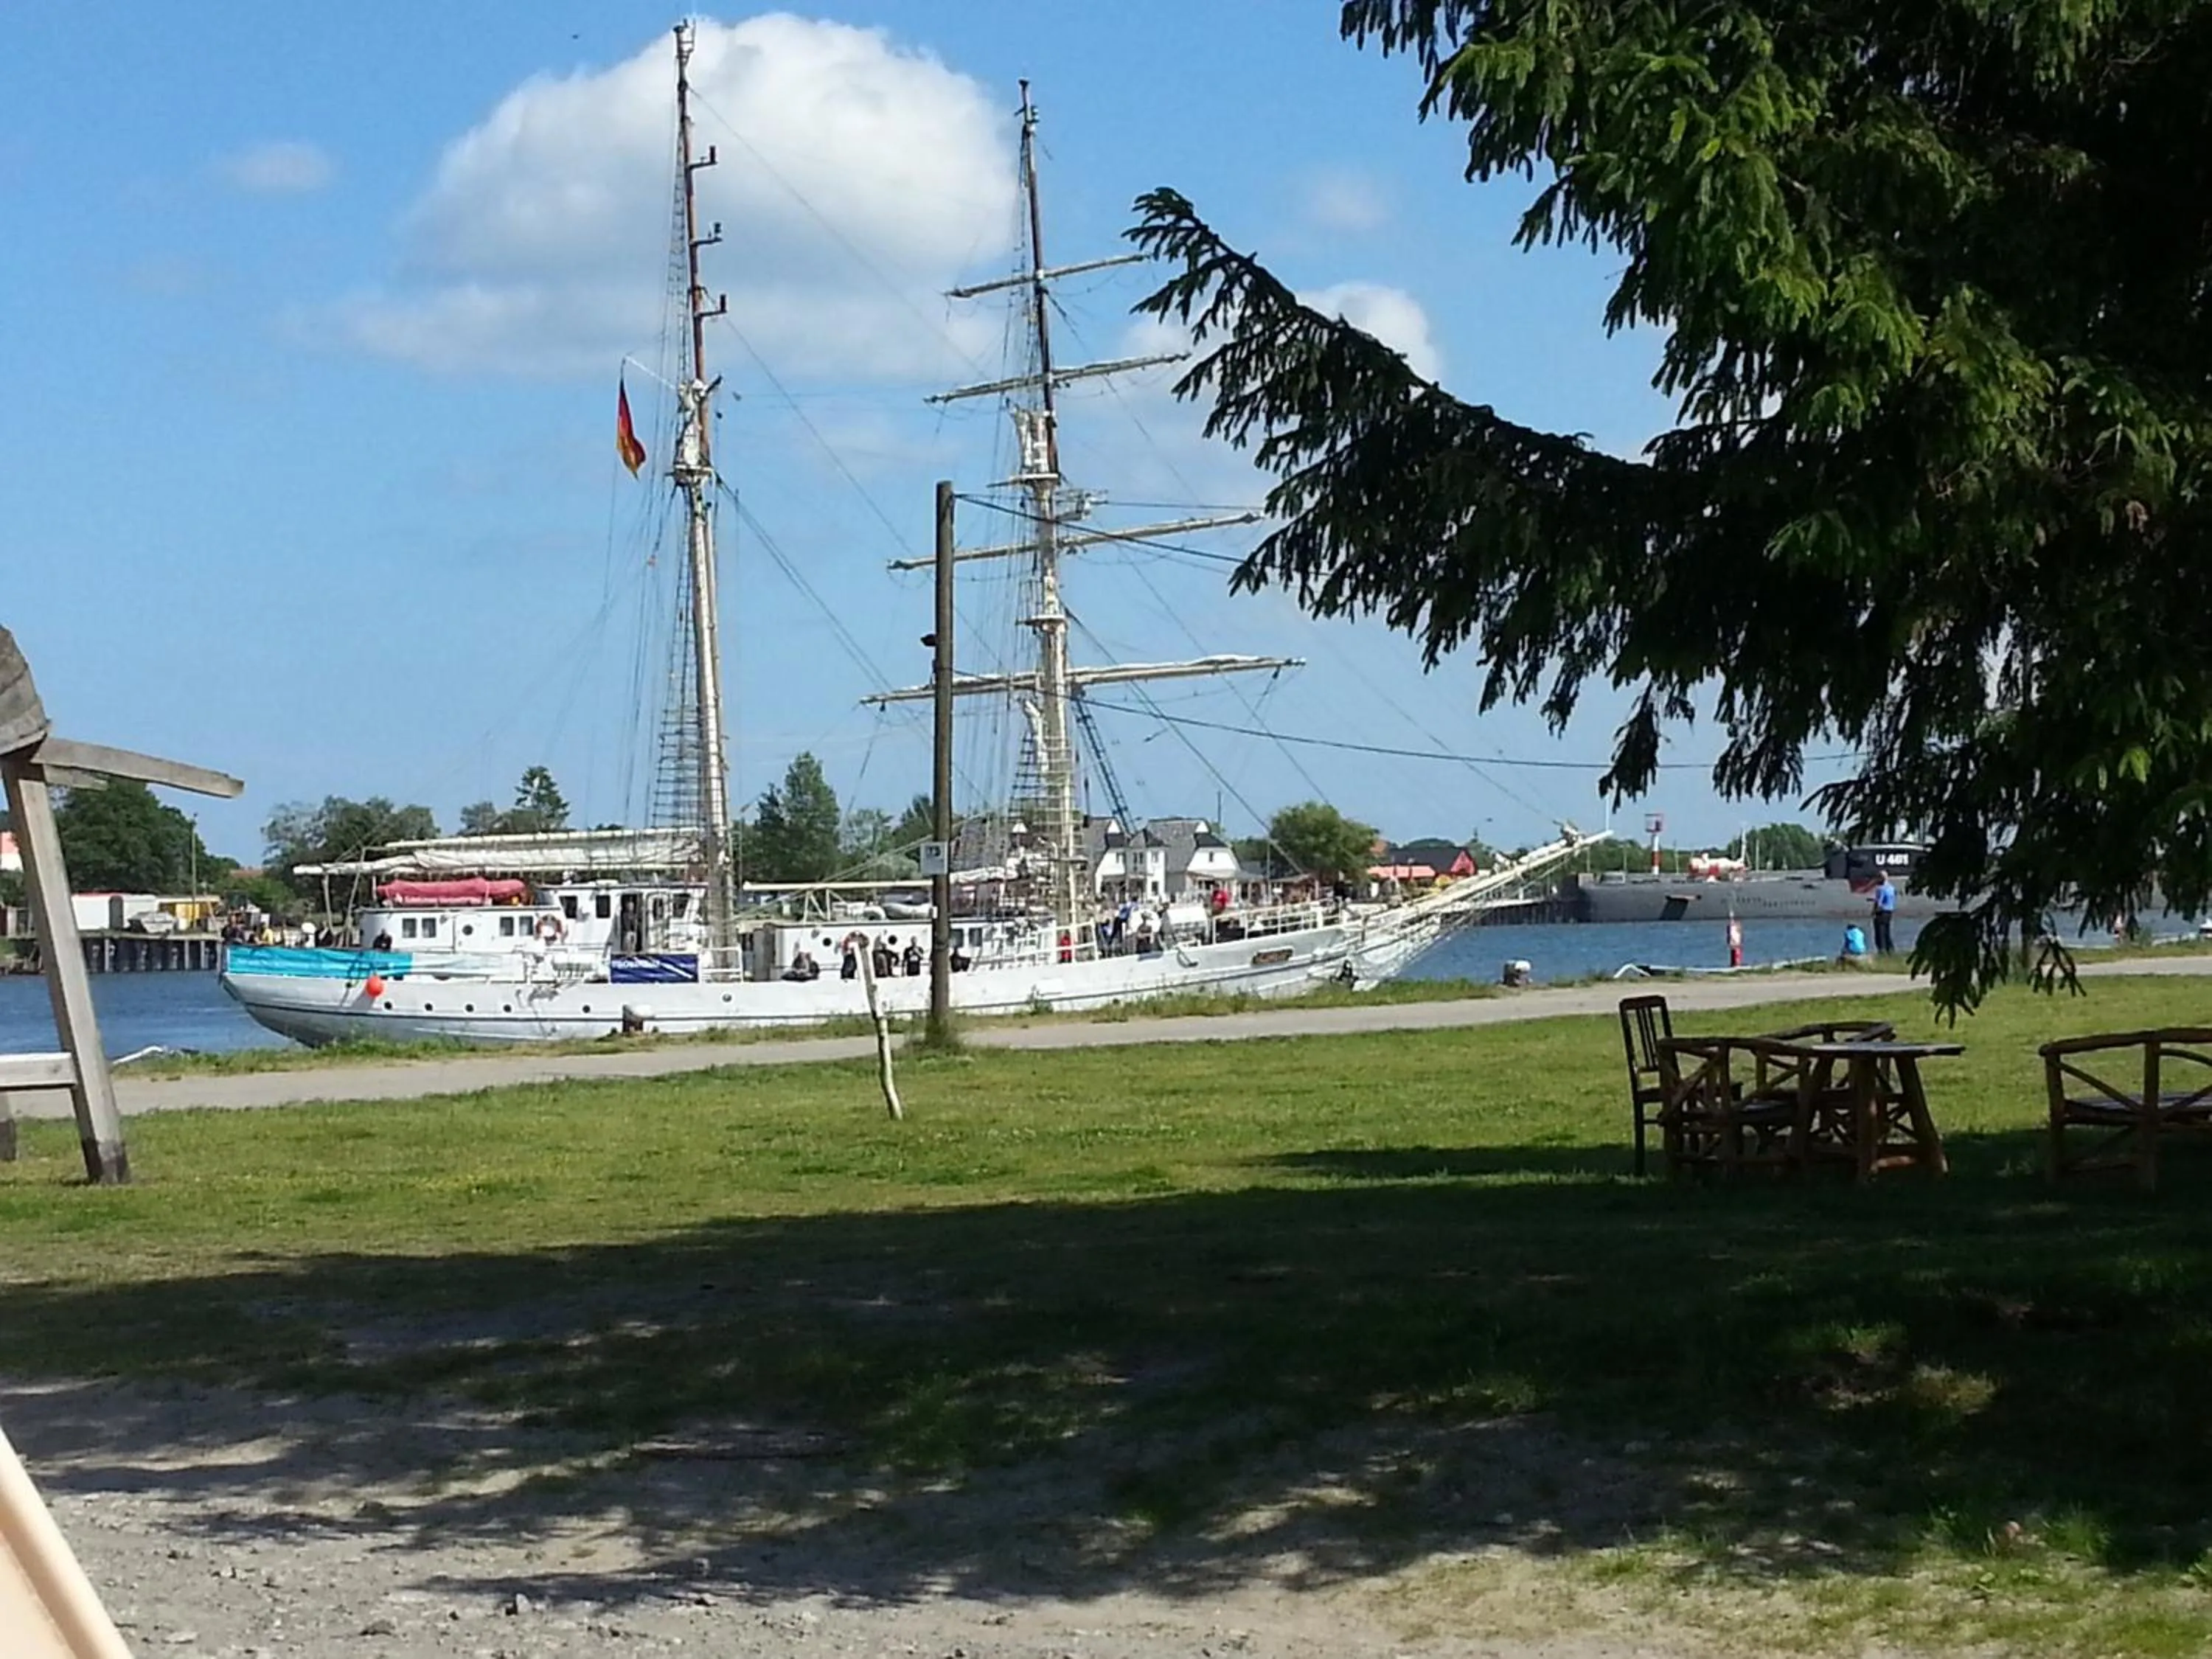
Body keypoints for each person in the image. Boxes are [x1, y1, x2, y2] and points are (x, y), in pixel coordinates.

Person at [1870, 867, 1897, 954]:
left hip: (1881, 912)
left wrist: (1873, 912)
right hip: (1889, 911)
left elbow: (1879, 903)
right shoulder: (1892, 888)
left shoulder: (1880, 889)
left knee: (1880, 932)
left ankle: (1882, 949)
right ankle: (1890, 948)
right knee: (1887, 931)